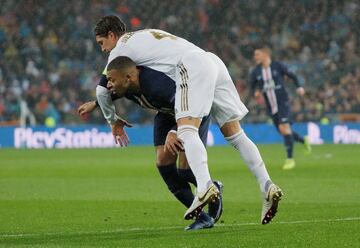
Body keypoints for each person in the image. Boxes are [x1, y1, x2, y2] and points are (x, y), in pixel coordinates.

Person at [93, 15, 283, 225]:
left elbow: (103, 90)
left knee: (186, 131)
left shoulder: (119, 50)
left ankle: (204, 186)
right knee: (236, 134)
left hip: (191, 66)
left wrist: (113, 120)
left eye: (102, 43)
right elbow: (118, 85)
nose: (104, 50)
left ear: (112, 35)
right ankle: (266, 185)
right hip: (212, 61)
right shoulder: (143, 36)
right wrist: (94, 104)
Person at [78, 22, 223, 229]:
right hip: (165, 112)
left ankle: (212, 187)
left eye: (102, 43)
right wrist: (96, 105)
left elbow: (184, 105)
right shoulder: (126, 77)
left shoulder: (155, 83)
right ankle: (201, 216)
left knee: (184, 170)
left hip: (191, 106)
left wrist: (175, 132)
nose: (108, 83)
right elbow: (108, 92)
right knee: (163, 163)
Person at [250, 47, 312, 170]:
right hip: (270, 106)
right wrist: (256, 92)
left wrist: (299, 87)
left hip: (282, 102)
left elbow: (292, 75)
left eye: (257, 54)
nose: (255, 57)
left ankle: (290, 159)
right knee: (283, 131)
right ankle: (302, 139)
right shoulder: (256, 71)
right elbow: (253, 86)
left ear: (266, 54)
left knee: (284, 128)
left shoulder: (278, 66)